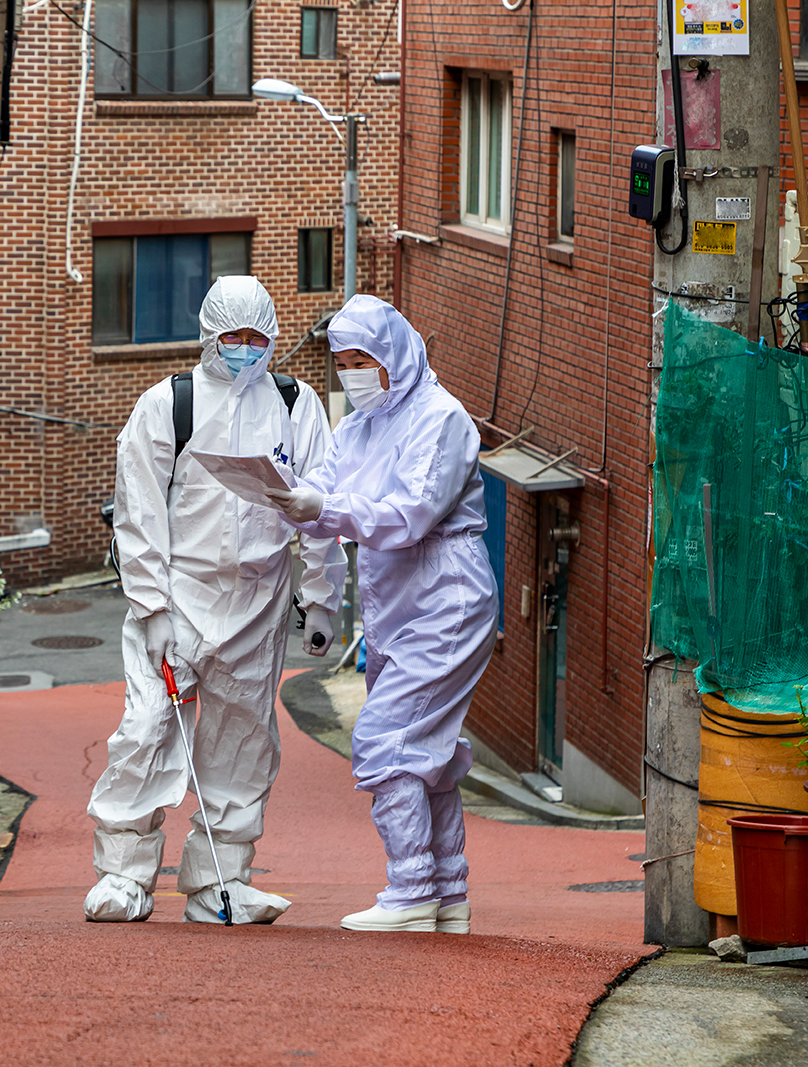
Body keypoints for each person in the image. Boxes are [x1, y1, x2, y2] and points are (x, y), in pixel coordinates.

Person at [85, 275, 347, 924]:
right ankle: (123, 874)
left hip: (258, 603)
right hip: (179, 595)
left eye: (258, 338)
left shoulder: (296, 406)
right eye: (233, 337)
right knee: (146, 729)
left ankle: (219, 881)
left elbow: (321, 505)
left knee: (241, 742)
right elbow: (139, 513)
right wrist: (149, 610)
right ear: (209, 335)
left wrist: (321, 599)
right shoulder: (167, 406)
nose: (245, 350)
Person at [266, 293, 498, 934]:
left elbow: (410, 514)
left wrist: (322, 508)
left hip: (445, 599)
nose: (352, 373)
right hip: (395, 606)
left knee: (384, 739)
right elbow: (328, 485)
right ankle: (447, 890)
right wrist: (300, 496)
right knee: (430, 749)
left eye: (362, 359)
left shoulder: (441, 419)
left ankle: (411, 892)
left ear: (394, 351)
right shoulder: (359, 425)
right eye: (341, 362)